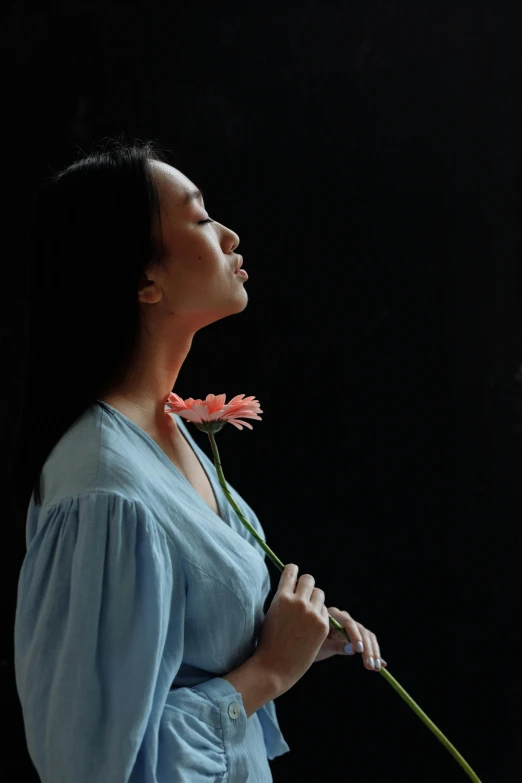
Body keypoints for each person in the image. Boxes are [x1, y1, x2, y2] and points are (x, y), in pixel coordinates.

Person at [12, 138, 383, 783]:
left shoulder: (170, 431)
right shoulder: (105, 497)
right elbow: (90, 768)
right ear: (144, 280)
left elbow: (181, 657)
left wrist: (288, 637)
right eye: (202, 217)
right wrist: (267, 672)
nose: (232, 235)